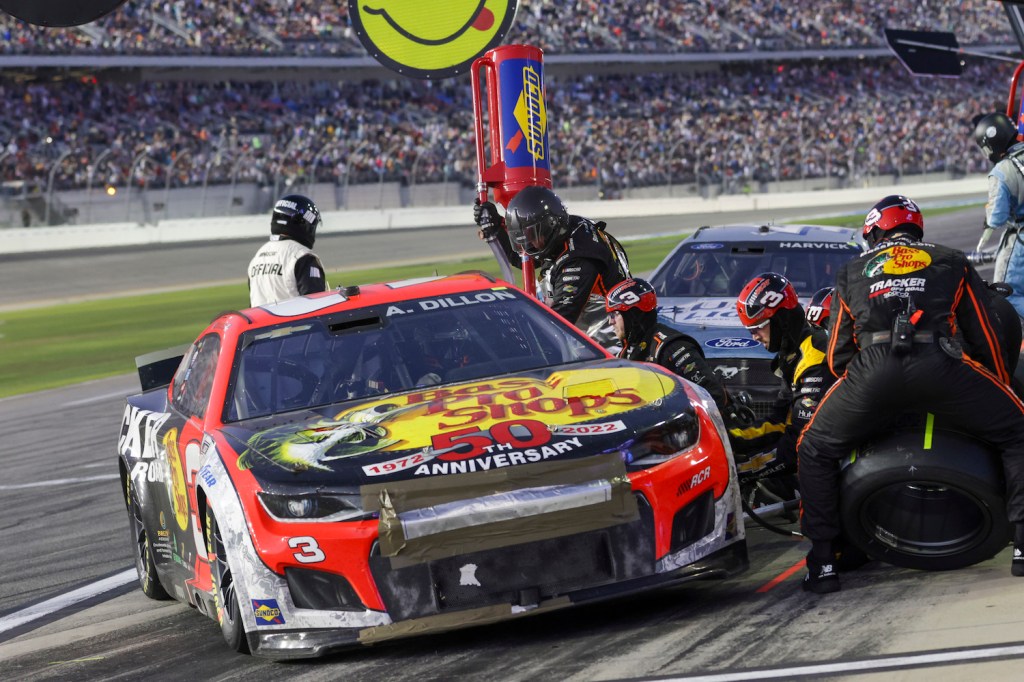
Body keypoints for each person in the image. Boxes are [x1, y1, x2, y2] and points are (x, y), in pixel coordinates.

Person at [797, 194, 1024, 593]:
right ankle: (1023, 546)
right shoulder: (950, 259)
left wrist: (865, 386)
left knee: (813, 447)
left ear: (875, 231)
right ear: (914, 229)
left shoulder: (852, 269)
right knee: (1018, 430)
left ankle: (823, 561)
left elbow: (836, 354)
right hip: (940, 363)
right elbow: (986, 336)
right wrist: (1000, 384)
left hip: (873, 371)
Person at [475, 186, 630, 345]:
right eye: (524, 237)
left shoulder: (579, 259)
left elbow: (558, 321)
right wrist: (497, 228)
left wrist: (512, 324)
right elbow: (523, 259)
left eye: (533, 235)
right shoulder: (571, 229)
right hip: (594, 343)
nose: (531, 244)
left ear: (551, 225)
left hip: (610, 349)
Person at [729, 272, 837, 486]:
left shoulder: (815, 357)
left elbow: (802, 442)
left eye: (757, 327)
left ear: (780, 319)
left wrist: (740, 472)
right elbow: (779, 421)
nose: (754, 337)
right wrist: (730, 439)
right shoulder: (792, 353)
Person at [604, 278, 730, 411]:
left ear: (632, 314)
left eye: (614, 314)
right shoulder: (627, 351)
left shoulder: (671, 347)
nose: (610, 322)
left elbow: (714, 396)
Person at [973, 112, 1024, 318]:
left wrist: (987, 225)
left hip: (1020, 236)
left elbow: (997, 217)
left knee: (1006, 292)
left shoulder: (1002, 171)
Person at [248, 194, 329, 307]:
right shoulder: (303, 257)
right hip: (294, 324)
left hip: (262, 324)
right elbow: (316, 307)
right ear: (304, 224)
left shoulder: (257, 259)